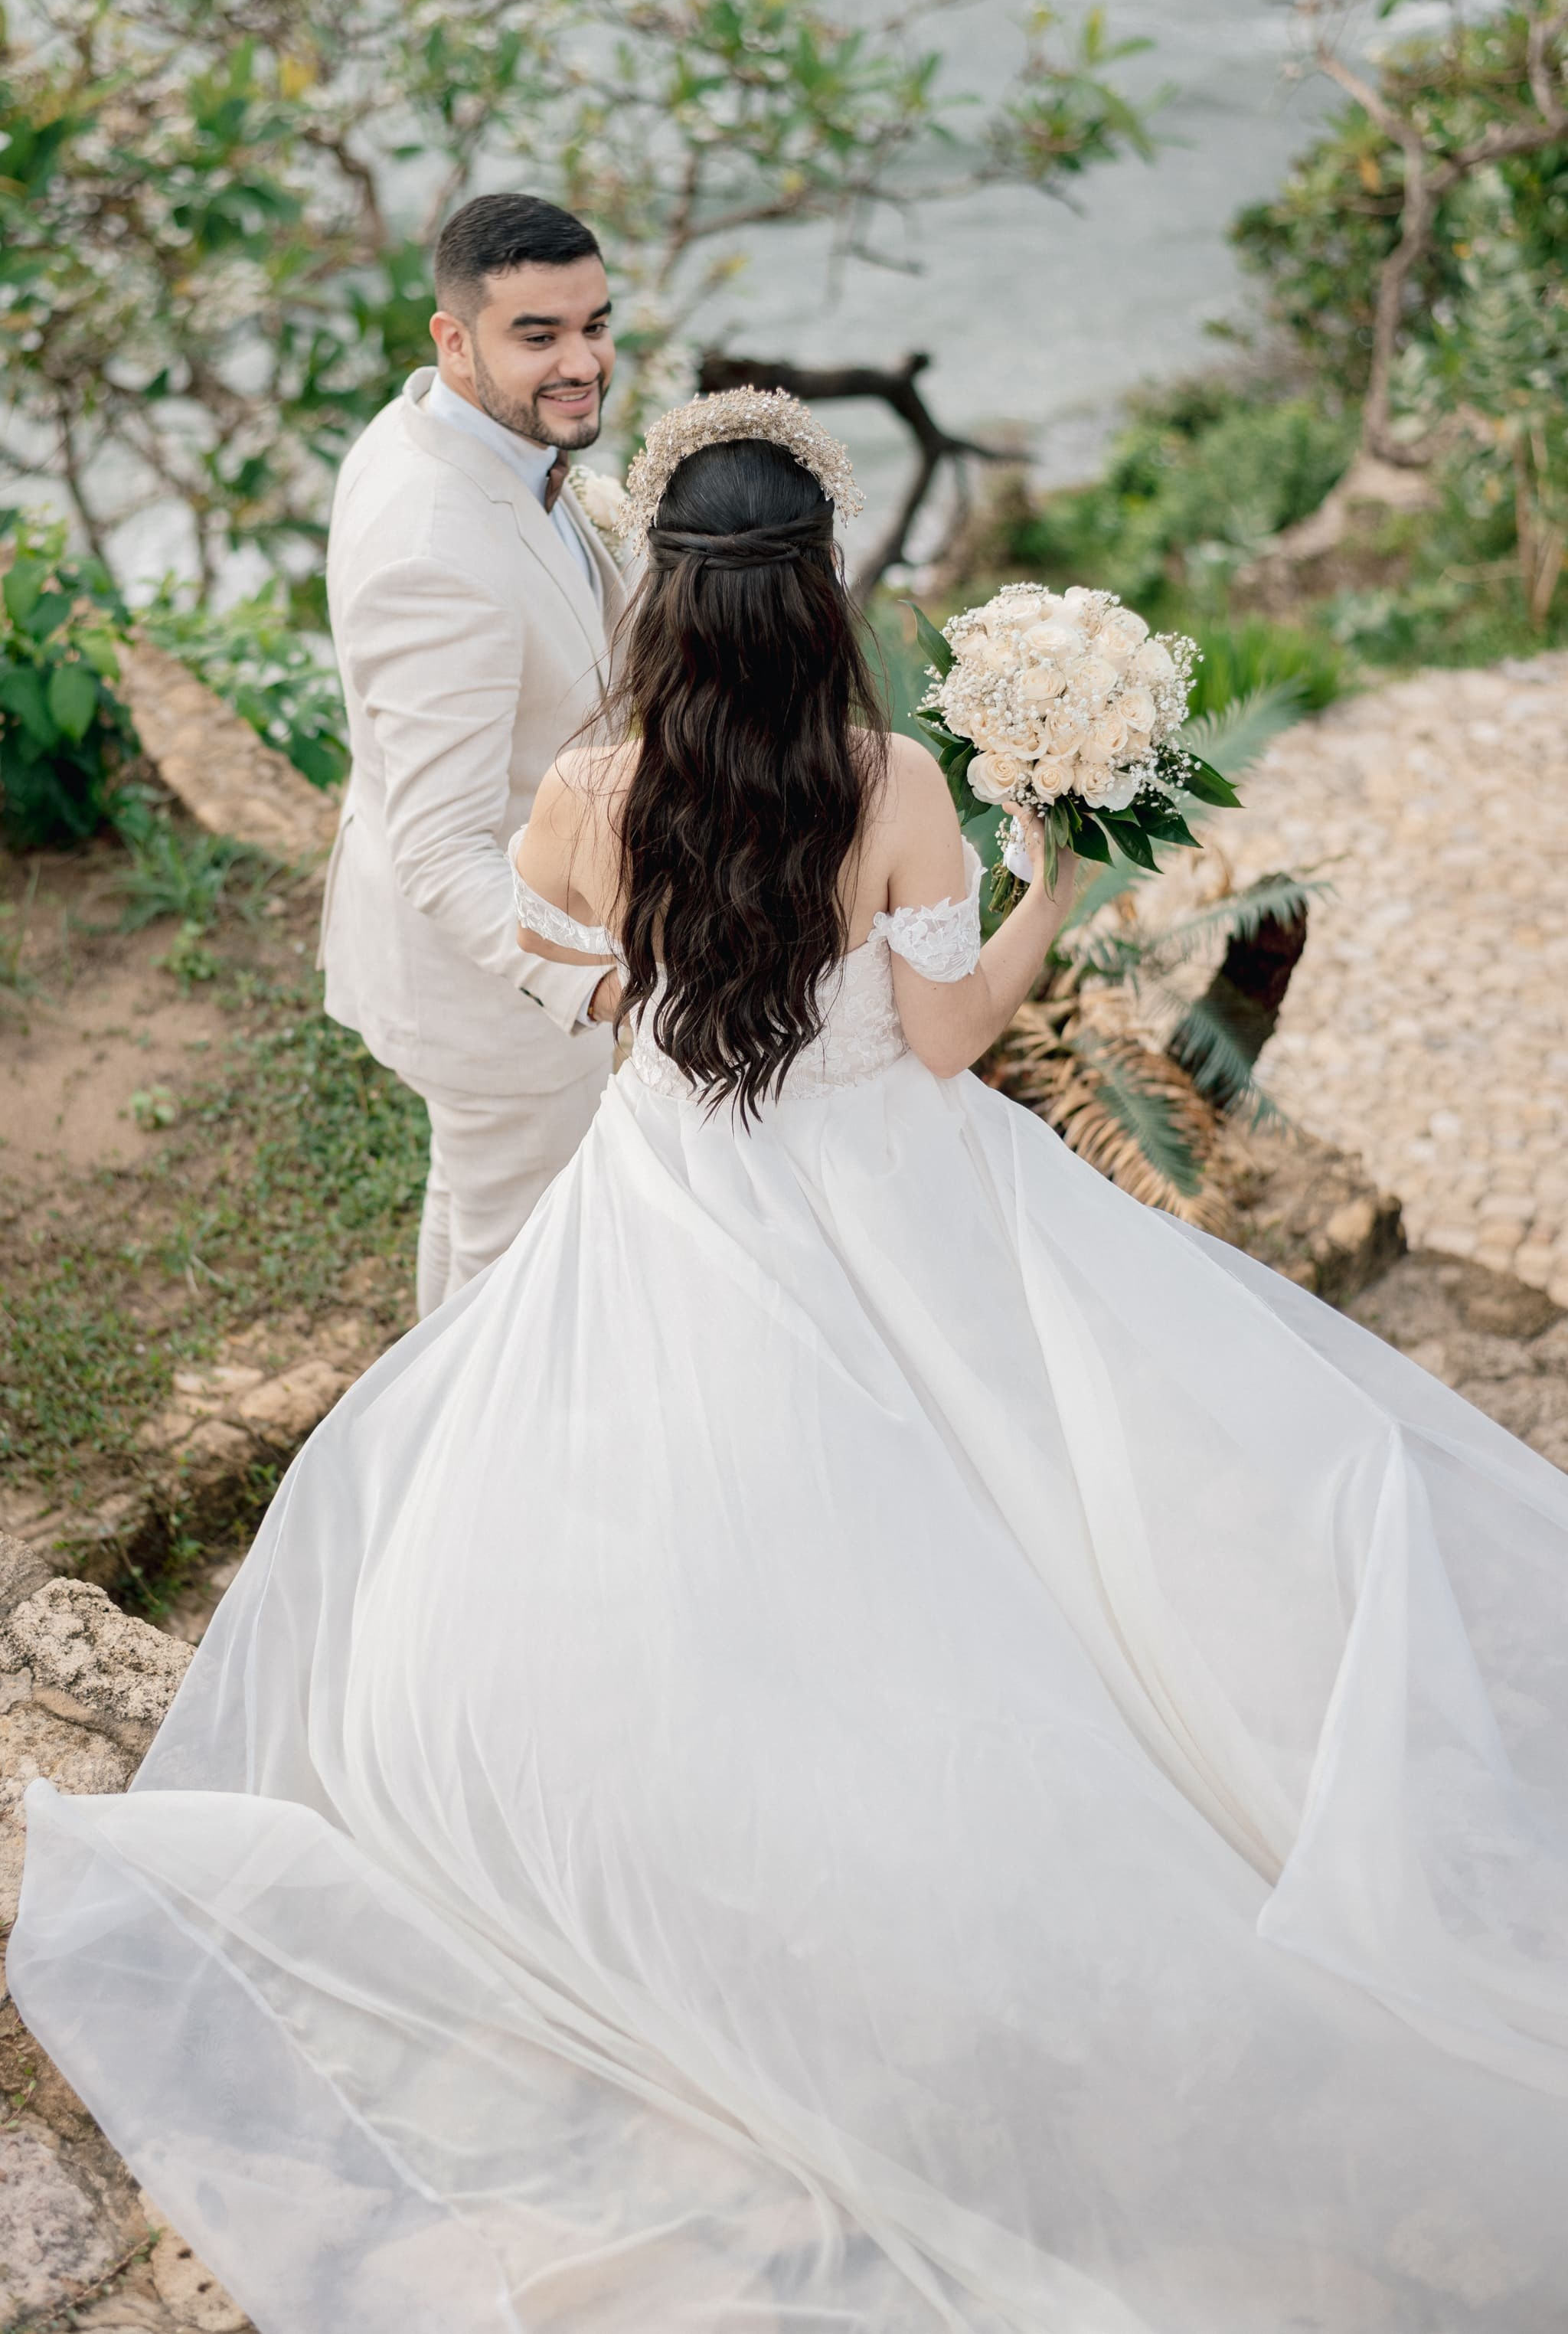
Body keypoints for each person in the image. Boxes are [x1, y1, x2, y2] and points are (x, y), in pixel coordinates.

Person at [13, 392, 1568, 2334]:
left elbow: (560, 967)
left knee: (680, 1519)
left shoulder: (589, 786)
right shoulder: (890, 777)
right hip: (898, 1197)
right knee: (1025, 1505)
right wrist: (1057, 875)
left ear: (664, 595)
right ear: (818, 594)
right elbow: (941, 1042)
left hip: (674, 1202)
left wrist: (643, 1005)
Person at [318, 193, 629, 1317]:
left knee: (476, 1218)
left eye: (595, 324)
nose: (583, 361)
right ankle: (468, 1481)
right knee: (519, 1284)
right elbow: (445, 849)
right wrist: (604, 987)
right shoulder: (434, 544)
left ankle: (422, 1440)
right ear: (454, 341)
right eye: (537, 336)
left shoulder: (452, 431)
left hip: (516, 940)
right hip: (502, 988)